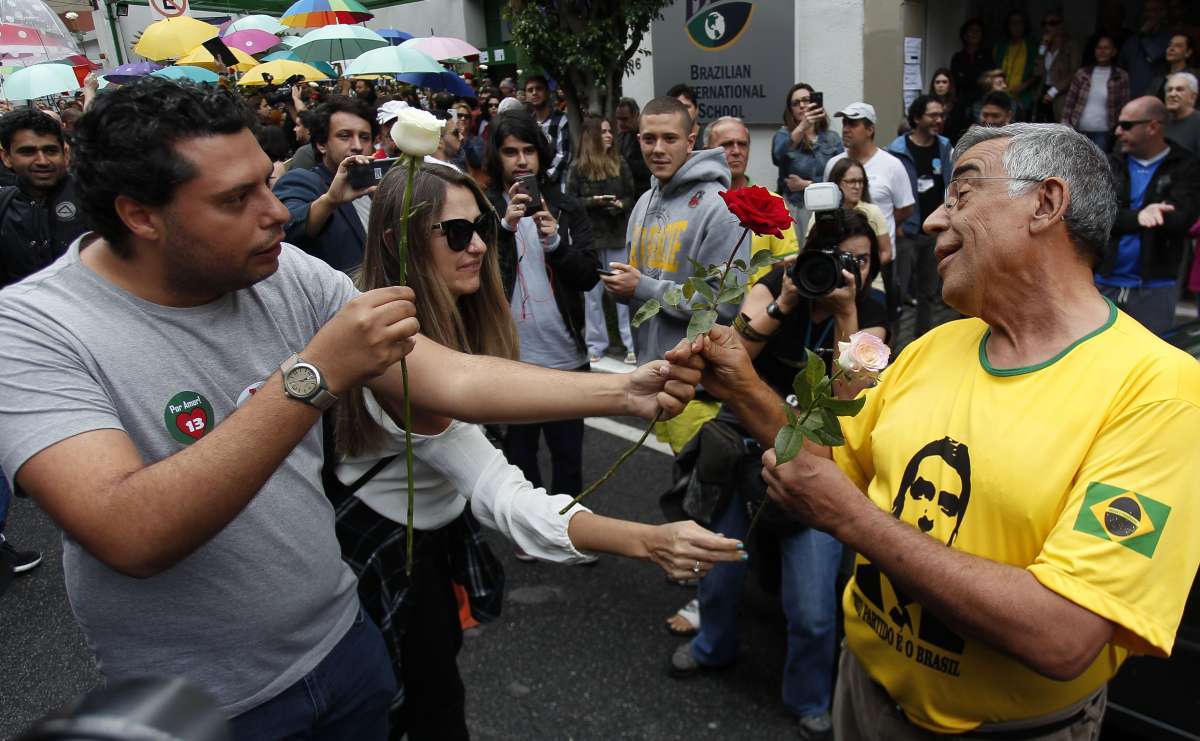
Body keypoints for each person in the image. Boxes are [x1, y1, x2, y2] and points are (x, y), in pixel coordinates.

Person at [0, 78, 702, 739]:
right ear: (139, 214)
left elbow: (442, 376)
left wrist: (622, 390)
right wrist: (313, 374)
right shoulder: (35, 328)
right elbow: (130, 531)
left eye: (267, 184)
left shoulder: (283, 271)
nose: (278, 212)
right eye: (235, 198)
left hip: (342, 647)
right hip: (202, 702)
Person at [672, 122, 1200, 740]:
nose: (930, 222)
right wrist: (740, 384)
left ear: (1047, 203)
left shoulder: (1161, 391)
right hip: (861, 691)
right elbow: (824, 468)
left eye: (962, 194)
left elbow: (1063, 634)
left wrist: (855, 521)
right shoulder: (937, 346)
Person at [333, 162, 744, 740]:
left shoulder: (437, 307)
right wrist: (646, 538)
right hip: (389, 546)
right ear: (395, 242)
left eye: (481, 227)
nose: (477, 245)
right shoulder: (379, 337)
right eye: (454, 233)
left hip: (430, 531)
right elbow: (500, 483)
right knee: (425, 708)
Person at [669, 210, 886, 741]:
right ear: (806, 253)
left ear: (871, 267)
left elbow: (852, 395)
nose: (840, 270)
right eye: (831, 257)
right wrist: (785, 301)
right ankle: (711, 646)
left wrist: (844, 315)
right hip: (744, 455)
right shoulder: (774, 287)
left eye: (855, 261)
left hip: (816, 469)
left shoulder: (873, 309)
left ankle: (810, 695)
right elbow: (730, 361)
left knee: (813, 609)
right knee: (717, 576)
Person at [601, 96, 746, 452]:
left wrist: (643, 287)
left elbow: (720, 306)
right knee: (674, 498)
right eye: (649, 139)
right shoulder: (643, 201)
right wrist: (624, 288)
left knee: (699, 497)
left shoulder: (720, 207)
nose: (658, 149)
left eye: (670, 138)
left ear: (691, 141)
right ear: (638, 141)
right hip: (656, 380)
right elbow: (642, 284)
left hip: (699, 391)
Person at [484, 111, 598, 504]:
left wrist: (556, 245)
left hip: (565, 353)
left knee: (568, 455)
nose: (520, 161)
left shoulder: (567, 208)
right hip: (512, 358)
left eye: (529, 150)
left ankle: (568, 528)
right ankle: (529, 526)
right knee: (519, 456)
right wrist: (503, 230)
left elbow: (588, 275)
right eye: (510, 151)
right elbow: (476, 283)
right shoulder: (482, 210)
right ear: (496, 157)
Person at [1097, 96, 1200, 334]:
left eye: (1126, 125)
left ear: (1153, 127)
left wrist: (1131, 217)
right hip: (1103, 282)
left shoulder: (1186, 166)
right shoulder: (1111, 163)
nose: (1118, 131)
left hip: (1156, 286)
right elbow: (1098, 215)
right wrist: (1140, 216)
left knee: (1150, 361)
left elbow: (1183, 219)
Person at [824, 103, 913, 328]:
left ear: (870, 129)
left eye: (853, 124)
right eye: (844, 123)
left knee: (881, 324)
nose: (846, 129)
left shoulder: (892, 165)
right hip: (839, 264)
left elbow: (904, 209)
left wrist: (878, 229)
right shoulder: (833, 164)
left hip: (879, 264)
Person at [273, 96, 379, 272]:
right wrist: (330, 201)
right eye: (345, 136)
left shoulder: (375, 186)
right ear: (322, 144)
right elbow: (287, 229)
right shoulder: (303, 181)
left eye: (365, 137)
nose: (358, 146)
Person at [567, 113, 637, 365]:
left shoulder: (620, 162)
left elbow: (631, 195)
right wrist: (594, 202)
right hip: (590, 239)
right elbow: (570, 201)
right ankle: (595, 345)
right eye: (604, 131)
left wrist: (619, 205)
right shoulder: (578, 167)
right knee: (593, 296)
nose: (609, 135)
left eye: (611, 131)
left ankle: (632, 344)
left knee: (624, 293)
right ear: (593, 136)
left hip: (617, 235)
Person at [0, 109, 90, 289]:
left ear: (65, 153)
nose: (42, 160)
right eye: (28, 152)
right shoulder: (4, 206)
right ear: (7, 158)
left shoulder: (94, 198)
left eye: (50, 150)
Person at [887, 95, 954, 339]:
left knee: (928, 293)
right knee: (897, 292)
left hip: (934, 232)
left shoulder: (945, 147)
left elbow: (952, 185)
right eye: (933, 115)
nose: (939, 120)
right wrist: (898, 223)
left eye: (941, 115)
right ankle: (889, 350)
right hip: (906, 232)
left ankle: (922, 342)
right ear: (916, 118)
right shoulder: (896, 150)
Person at [772, 83, 843, 224]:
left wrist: (808, 184)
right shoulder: (784, 135)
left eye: (806, 100)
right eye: (796, 103)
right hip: (797, 208)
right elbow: (777, 157)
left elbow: (841, 175)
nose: (802, 105)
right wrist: (801, 128)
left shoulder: (832, 138)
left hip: (828, 208)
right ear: (790, 110)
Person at [804, 159, 890, 262]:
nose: (857, 186)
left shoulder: (873, 212)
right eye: (851, 181)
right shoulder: (821, 214)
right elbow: (809, 249)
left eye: (860, 181)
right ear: (837, 183)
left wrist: (866, 268)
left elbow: (886, 252)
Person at [1060, 35, 1131, 152]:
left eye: (1106, 48)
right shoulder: (1082, 74)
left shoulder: (1120, 76)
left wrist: (1122, 128)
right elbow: (1070, 102)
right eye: (1099, 48)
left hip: (1103, 133)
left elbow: (1125, 106)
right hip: (1079, 130)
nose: (1102, 51)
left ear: (1113, 52)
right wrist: (1065, 126)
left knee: (1098, 166)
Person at [1033, 9, 1082, 123]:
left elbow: (1075, 72)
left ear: (1061, 25)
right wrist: (1043, 48)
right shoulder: (1044, 46)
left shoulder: (1071, 46)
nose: (1048, 27)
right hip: (1043, 91)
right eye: (1044, 24)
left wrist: (1054, 91)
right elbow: (1037, 72)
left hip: (1061, 94)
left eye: (1052, 23)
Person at [523, 75, 570, 190]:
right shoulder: (527, 122)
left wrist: (545, 178)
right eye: (530, 90)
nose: (534, 93)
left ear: (547, 92)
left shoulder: (561, 120)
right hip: (532, 184)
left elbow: (563, 155)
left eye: (539, 88)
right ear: (526, 96)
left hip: (557, 185)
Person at [1118, 0, 1172, 99]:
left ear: (1162, 13)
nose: (1148, 15)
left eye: (1153, 10)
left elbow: (1156, 56)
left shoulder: (1168, 38)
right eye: (1146, 11)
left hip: (1155, 101)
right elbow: (1120, 70)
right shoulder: (1131, 41)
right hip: (1131, 101)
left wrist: (1144, 35)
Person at [994, 11, 1039, 118]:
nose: (1016, 26)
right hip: (1000, 96)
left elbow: (1039, 73)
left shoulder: (1033, 47)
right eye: (1013, 23)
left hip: (1023, 99)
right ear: (1008, 26)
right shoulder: (999, 47)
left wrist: (1024, 85)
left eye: (1020, 23)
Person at [951, 19, 994, 113]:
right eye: (971, 30)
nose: (975, 34)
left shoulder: (987, 56)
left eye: (978, 31)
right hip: (962, 102)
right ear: (965, 35)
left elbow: (988, 80)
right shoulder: (958, 57)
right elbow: (956, 81)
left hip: (983, 102)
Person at [615, 96, 652, 199]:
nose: (621, 123)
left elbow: (649, 167)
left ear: (636, 115)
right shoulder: (621, 137)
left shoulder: (649, 136)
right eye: (618, 119)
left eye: (625, 119)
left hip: (644, 193)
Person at [1146, 32, 1197, 99]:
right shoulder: (1158, 79)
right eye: (1169, 45)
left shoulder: (1195, 76)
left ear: (1188, 53)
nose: (1171, 49)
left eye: (1178, 45)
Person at [1163, 71, 1200, 153]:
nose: (1172, 94)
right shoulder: (1160, 122)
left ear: (1192, 97)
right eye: (1169, 90)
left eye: (1179, 89)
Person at [929, 67, 966, 143]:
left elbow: (961, 131)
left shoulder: (958, 106)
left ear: (950, 85)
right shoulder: (928, 104)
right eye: (937, 82)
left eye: (944, 82)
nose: (940, 85)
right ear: (933, 85)